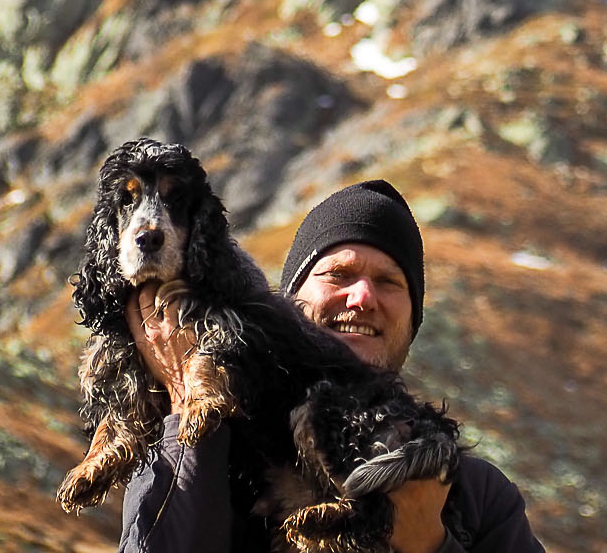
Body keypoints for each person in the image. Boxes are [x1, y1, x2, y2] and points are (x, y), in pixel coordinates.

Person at [118, 180, 545, 552]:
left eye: (388, 282)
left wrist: (426, 543)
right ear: (285, 304)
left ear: (412, 322)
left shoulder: (476, 494)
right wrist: (188, 405)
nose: (362, 298)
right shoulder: (194, 445)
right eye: (338, 275)